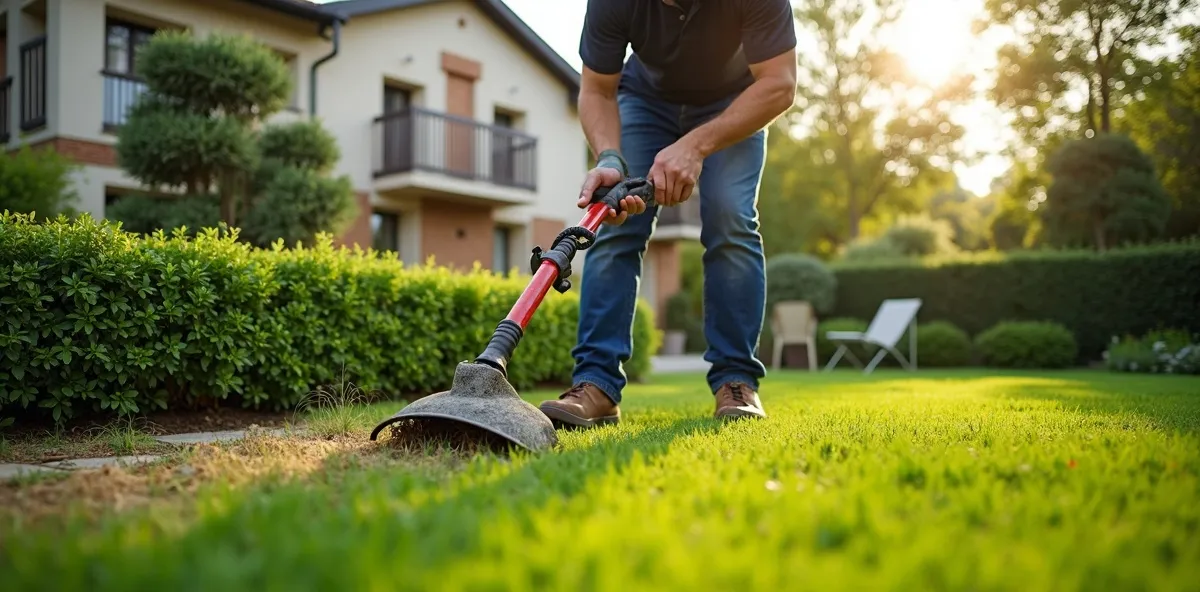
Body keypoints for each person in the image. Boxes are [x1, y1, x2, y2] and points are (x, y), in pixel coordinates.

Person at [538, 0, 798, 428]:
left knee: (731, 218)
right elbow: (597, 89)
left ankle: (736, 381)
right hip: (643, 101)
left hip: (735, 99)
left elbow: (778, 84)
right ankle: (597, 384)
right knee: (615, 220)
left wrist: (694, 146)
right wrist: (609, 156)